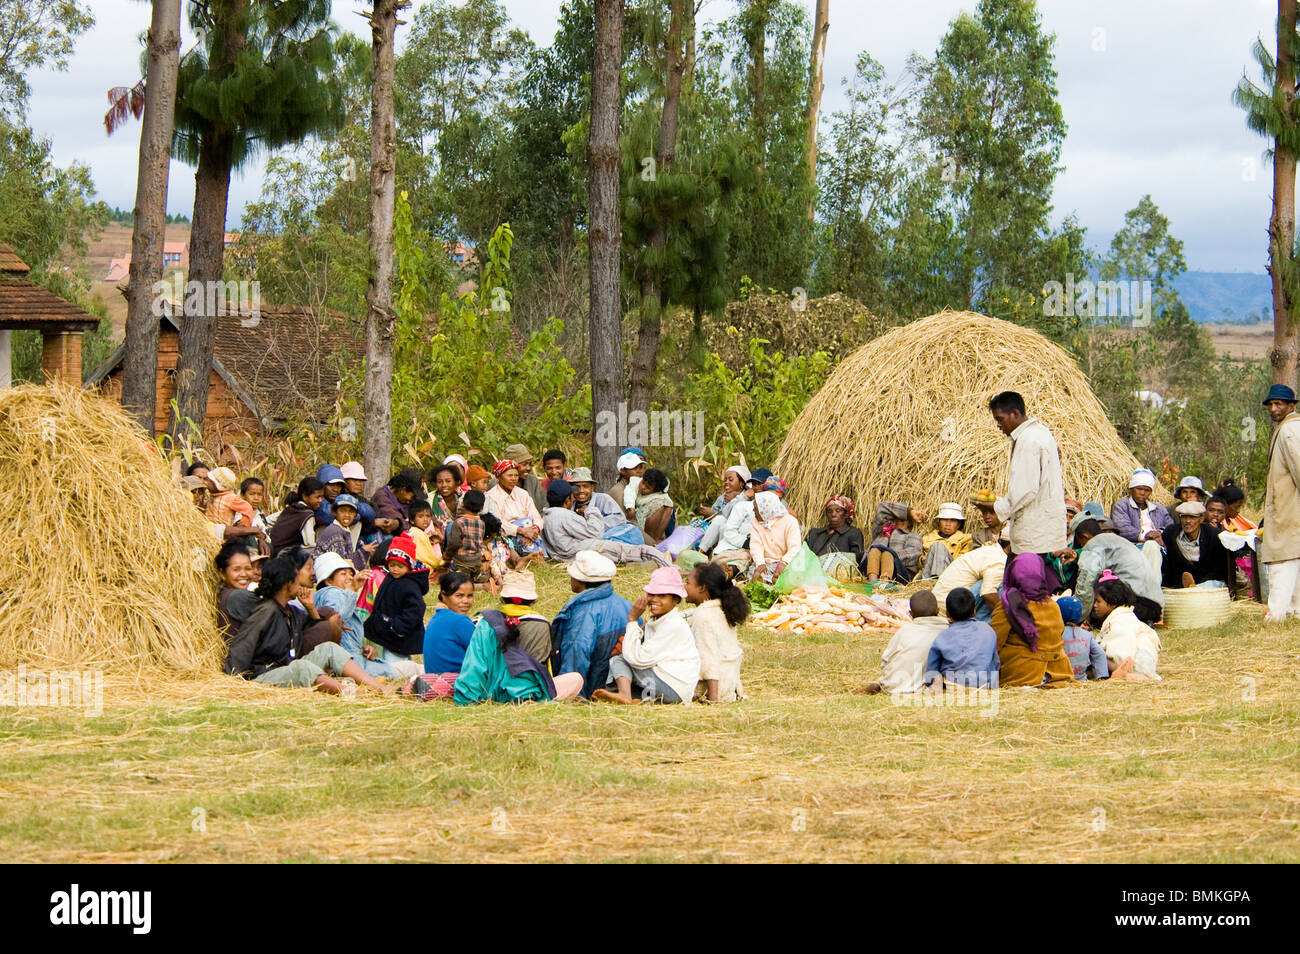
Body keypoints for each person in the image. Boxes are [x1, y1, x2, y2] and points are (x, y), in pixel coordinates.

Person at [223, 553, 391, 694]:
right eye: (296, 581)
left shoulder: (291, 611)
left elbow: (316, 626)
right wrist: (235, 683)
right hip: (264, 676)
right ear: (288, 585)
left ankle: (379, 688)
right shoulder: (265, 611)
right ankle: (350, 692)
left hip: (287, 667)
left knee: (329, 649)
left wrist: (311, 606)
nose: (301, 584)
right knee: (302, 667)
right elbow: (244, 644)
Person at [594, 566, 701, 704]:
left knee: (619, 660)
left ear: (676, 600)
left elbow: (636, 659)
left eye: (662, 596)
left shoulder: (673, 624)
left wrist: (632, 620)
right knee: (623, 680)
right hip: (667, 686)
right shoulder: (657, 620)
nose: (654, 600)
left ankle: (624, 695)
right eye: (651, 594)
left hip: (674, 687)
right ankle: (634, 699)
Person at [987, 391, 1067, 563]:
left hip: (1034, 537)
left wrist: (996, 508)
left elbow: (1024, 491)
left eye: (1000, 419)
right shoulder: (1039, 433)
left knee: (1025, 582)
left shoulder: (1028, 441)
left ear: (1015, 414)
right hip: (1043, 534)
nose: (998, 425)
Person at [312, 552, 413, 681]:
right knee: (412, 669)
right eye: (343, 574)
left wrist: (362, 649)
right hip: (352, 663)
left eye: (350, 573)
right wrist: (353, 588)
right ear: (328, 580)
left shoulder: (329, 595)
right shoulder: (332, 592)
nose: (349, 577)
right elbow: (337, 620)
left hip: (352, 660)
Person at [453, 608, 584, 705]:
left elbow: (473, 668)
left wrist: (467, 699)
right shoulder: (540, 624)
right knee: (576, 679)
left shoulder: (485, 626)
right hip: (522, 691)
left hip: (492, 691)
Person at [551, 550, 631, 697]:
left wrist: (574, 694)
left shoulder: (582, 613)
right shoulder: (627, 606)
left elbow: (576, 654)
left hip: (595, 689)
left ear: (580, 580)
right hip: (623, 685)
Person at [989, 553, 1074, 688]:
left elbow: (993, 642)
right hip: (1058, 673)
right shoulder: (1053, 606)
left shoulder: (1010, 604)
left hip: (1021, 675)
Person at [542, 479, 670, 565]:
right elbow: (595, 533)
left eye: (585, 486)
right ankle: (669, 566)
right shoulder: (564, 514)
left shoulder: (546, 516)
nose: (581, 491)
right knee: (639, 551)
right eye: (577, 488)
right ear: (568, 499)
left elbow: (618, 518)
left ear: (592, 487)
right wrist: (590, 511)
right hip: (588, 549)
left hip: (574, 552)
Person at [1070, 515, 1164, 625]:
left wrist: (1077, 617)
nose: (1082, 547)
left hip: (1135, 605)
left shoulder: (1092, 546)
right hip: (1155, 606)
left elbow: (1085, 586)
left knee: (1097, 604)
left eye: (1081, 543)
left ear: (1084, 537)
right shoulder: (1118, 541)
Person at [859, 590, 948, 695]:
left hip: (890, 684)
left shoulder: (903, 631)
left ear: (910, 614)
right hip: (915, 687)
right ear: (938, 611)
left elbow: (885, 659)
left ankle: (881, 682)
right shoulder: (945, 631)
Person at [682, 562, 747, 703]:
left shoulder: (703, 615)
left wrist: (713, 700)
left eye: (688, 582)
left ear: (702, 588)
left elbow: (709, 660)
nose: (684, 587)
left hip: (715, 688)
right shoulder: (722, 609)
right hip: (730, 684)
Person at [362, 536, 430, 669]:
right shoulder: (391, 578)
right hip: (388, 630)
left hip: (399, 634)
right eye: (392, 565)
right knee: (389, 656)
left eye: (400, 566)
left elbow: (416, 609)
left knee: (396, 664)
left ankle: (405, 672)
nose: (395, 569)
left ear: (409, 566)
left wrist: (399, 627)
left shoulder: (410, 585)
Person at [924, 588, 999, 689]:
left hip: (954, 687)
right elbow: (996, 663)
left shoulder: (942, 636)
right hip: (986, 686)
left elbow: (931, 672)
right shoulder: (987, 629)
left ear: (947, 614)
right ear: (974, 611)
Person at [931, 531, 1011, 621]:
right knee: (999, 585)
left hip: (942, 604)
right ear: (1010, 546)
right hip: (951, 608)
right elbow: (989, 594)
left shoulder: (991, 549)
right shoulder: (999, 560)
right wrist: (1007, 618)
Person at [1092, 575, 1161, 680]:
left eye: (1098, 601)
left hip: (1133, 664)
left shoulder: (1120, 621)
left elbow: (1120, 655)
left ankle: (1127, 674)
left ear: (1113, 602)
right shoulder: (1123, 617)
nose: (1095, 605)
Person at [1161, 500, 1234, 591]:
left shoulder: (1214, 536)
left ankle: (1193, 588)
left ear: (1201, 519)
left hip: (1208, 580)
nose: (1187, 521)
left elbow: (1219, 568)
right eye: (1184, 517)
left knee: (1214, 585)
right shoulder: (1171, 533)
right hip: (1179, 582)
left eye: (1192, 517)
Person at [1110, 468, 1172, 573]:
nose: (1142, 493)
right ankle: (1153, 585)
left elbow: (1170, 526)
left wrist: (1159, 533)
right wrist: (1147, 535)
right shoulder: (1122, 505)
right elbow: (1122, 528)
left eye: (1146, 490)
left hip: (1160, 547)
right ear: (1132, 488)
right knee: (1151, 546)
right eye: (1139, 489)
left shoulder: (1158, 508)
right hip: (1132, 548)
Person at [421, 570, 478, 674]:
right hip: (457, 683)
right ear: (443, 595)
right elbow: (483, 652)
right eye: (459, 596)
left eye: (469, 596)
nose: (465, 601)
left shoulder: (436, 618)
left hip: (435, 680)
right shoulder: (459, 621)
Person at [486, 459, 544, 552]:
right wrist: (521, 531)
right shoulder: (490, 496)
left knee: (528, 522)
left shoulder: (523, 494)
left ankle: (532, 552)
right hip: (506, 535)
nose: (514, 478)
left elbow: (536, 516)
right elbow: (498, 523)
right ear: (499, 477)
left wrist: (534, 531)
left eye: (516, 475)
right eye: (510, 475)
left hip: (528, 533)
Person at [496, 570, 553, 664]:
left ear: (503, 598)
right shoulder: (542, 625)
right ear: (532, 600)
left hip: (497, 678)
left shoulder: (488, 622)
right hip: (533, 677)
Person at [805, 494, 866, 581]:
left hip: (839, 577)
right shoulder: (814, 533)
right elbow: (805, 554)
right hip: (811, 575)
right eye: (830, 511)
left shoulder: (853, 533)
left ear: (846, 514)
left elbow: (855, 560)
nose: (833, 514)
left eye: (838, 511)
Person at [748, 489, 802, 583]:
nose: (753, 511)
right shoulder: (755, 522)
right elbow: (756, 545)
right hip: (766, 562)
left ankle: (775, 580)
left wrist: (784, 562)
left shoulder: (790, 521)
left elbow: (795, 547)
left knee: (795, 575)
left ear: (764, 509)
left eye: (756, 508)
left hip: (787, 563)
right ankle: (766, 581)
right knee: (755, 573)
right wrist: (760, 563)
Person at [865, 501, 925, 583]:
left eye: (905, 519)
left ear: (909, 522)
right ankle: (872, 583)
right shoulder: (882, 530)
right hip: (873, 566)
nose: (900, 520)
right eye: (897, 516)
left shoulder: (912, 536)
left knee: (887, 554)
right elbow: (882, 507)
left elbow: (914, 553)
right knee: (874, 550)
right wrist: (909, 512)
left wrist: (892, 556)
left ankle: (884, 583)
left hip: (897, 572)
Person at [313, 493, 375, 571]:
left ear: (355, 515)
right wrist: (363, 551)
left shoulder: (343, 529)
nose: (347, 515)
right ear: (335, 512)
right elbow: (341, 563)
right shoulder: (335, 531)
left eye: (351, 512)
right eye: (342, 511)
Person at [269, 477, 326, 556]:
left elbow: (268, 520)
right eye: (317, 497)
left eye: (322, 497)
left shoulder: (291, 508)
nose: (320, 500)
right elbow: (309, 543)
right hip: (284, 555)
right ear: (305, 496)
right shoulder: (307, 515)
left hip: (273, 550)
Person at [1057, 595, 1109, 680]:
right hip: (1080, 680)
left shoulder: (1055, 634)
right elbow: (1099, 654)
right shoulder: (1087, 635)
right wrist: (1101, 676)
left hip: (1058, 680)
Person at [444, 489, 489, 583]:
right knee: (477, 576)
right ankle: (478, 579)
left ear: (463, 504)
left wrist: (447, 555)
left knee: (452, 579)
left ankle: (476, 585)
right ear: (481, 508)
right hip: (476, 562)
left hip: (461, 562)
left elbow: (454, 543)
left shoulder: (459, 522)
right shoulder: (481, 523)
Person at [919, 502, 974, 579]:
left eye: (953, 520)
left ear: (959, 524)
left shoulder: (966, 539)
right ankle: (928, 582)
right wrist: (922, 561)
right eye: (945, 520)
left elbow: (962, 562)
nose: (948, 524)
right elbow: (919, 562)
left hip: (951, 573)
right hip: (926, 574)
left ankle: (936, 580)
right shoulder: (927, 538)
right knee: (936, 546)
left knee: (938, 546)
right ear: (939, 521)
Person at [216, 542, 257, 637]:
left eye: (248, 568)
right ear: (222, 574)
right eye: (236, 570)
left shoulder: (225, 594)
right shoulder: (237, 597)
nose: (243, 574)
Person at [372, 467, 422, 535]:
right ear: (403, 490)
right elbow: (396, 519)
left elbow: (424, 509)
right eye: (412, 496)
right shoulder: (381, 497)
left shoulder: (408, 500)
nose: (412, 500)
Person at [632, 467, 675, 544]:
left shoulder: (659, 504)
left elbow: (652, 536)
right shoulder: (635, 489)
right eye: (643, 482)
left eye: (648, 487)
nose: (642, 487)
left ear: (656, 491)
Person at [339, 461, 380, 539]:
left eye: (361, 481)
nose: (359, 484)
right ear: (345, 481)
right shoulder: (340, 498)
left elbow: (376, 510)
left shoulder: (360, 499)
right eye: (354, 480)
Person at [503, 443, 548, 513]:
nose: (528, 468)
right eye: (524, 464)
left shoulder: (532, 482)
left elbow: (543, 508)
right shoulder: (497, 484)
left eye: (529, 464)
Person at [404, 499, 444, 568]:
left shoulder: (416, 532)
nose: (425, 520)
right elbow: (432, 561)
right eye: (420, 516)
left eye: (428, 516)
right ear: (412, 520)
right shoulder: (418, 534)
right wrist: (445, 560)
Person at [608, 448, 648, 513]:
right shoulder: (619, 491)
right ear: (623, 470)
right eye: (635, 467)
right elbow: (625, 521)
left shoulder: (641, 489)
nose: (640, 471)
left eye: (641, 467)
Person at [428, 464, 462, 530]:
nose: (444, 485)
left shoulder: (463, 497)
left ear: (456, 482)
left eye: (448, 481)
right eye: (439, 482)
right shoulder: (429, 500)